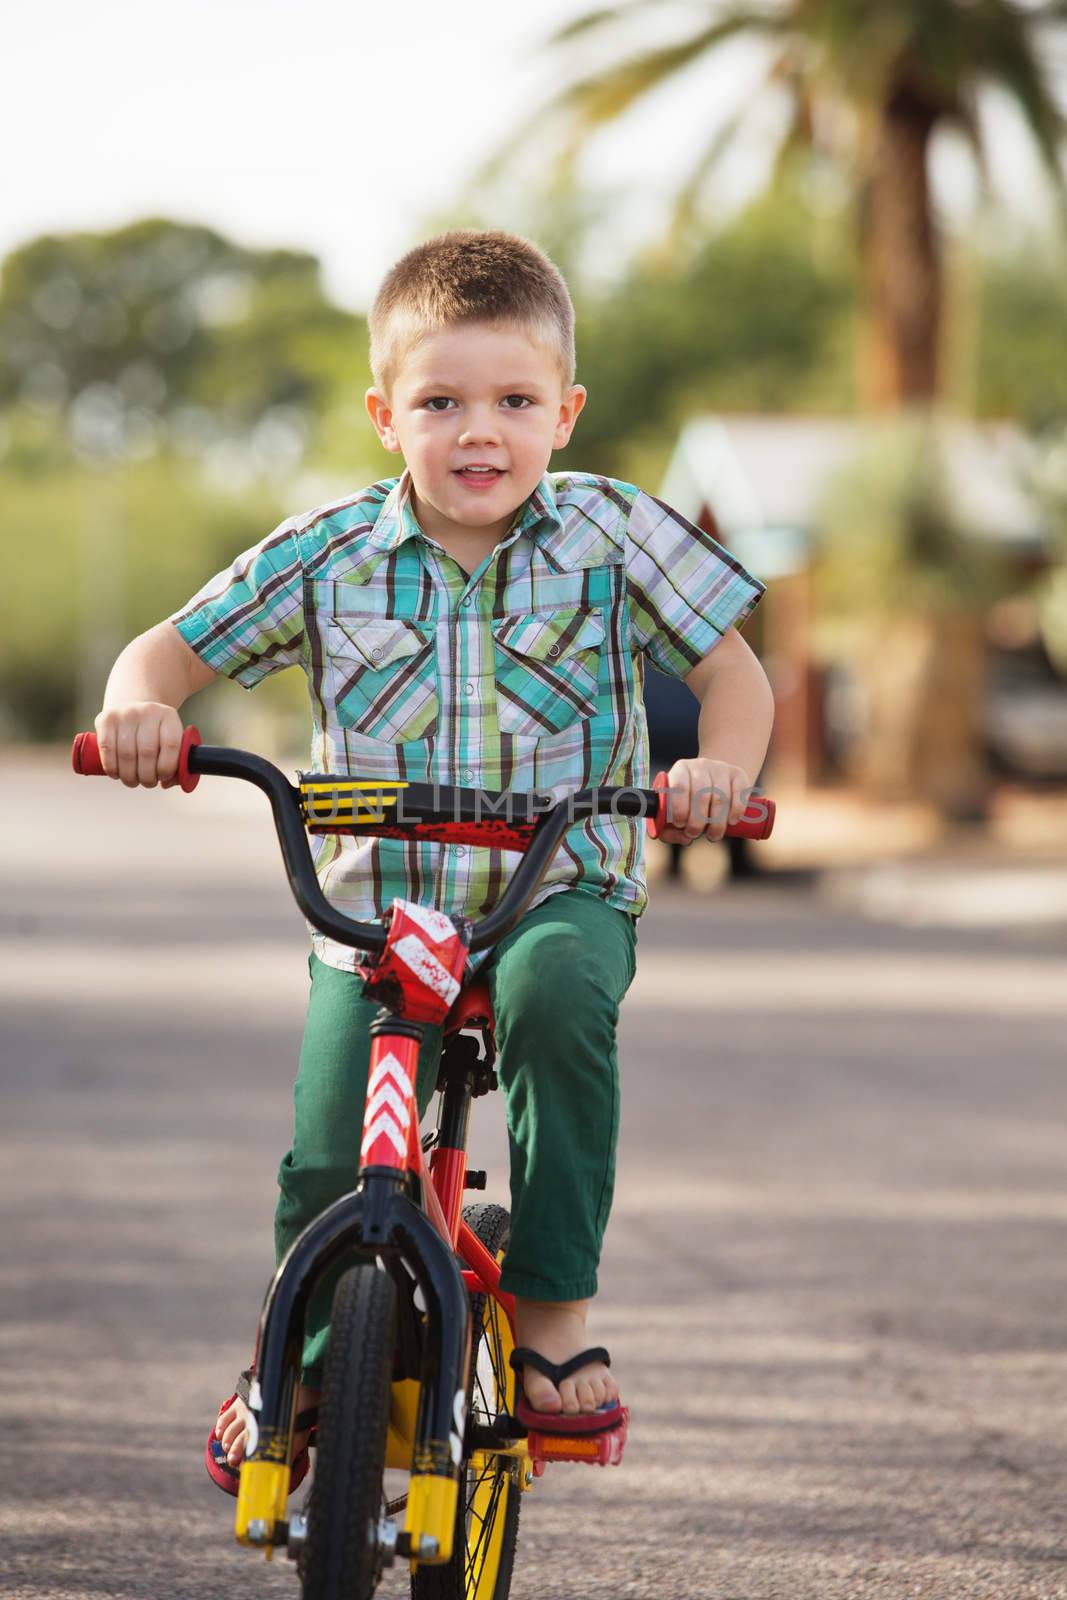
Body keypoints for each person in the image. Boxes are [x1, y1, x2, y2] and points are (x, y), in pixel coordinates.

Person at [93, 230, 775, 1493]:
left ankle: (554, 1306)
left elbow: (732, 674)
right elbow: (160, 655)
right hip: (374, 914)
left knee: (556, 999)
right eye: (441, 402)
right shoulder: (328, 554)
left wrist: (715, 769)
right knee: (321, 1147)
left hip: (552, 891)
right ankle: (296, 1366)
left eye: (515, 401)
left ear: (564, 412)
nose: (481, 432)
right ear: (382, 414)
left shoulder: (614, 535)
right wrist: (143, 710)